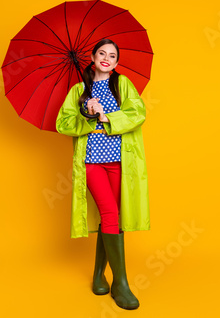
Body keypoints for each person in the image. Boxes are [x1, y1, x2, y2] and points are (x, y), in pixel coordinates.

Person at [56, 39, 150, 310]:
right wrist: (86, 113)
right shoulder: (78, 91)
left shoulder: (123, 85)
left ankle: (99, 275)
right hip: (92, 162)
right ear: (93, 57)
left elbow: (138, 113)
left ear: (116, 63)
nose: (107, 58)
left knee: (113, 217)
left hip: (120, 160)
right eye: (102, 54)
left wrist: (107, 116)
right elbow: (62, 123)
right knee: (109, 213)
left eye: (112, 56)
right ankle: (121, 283)